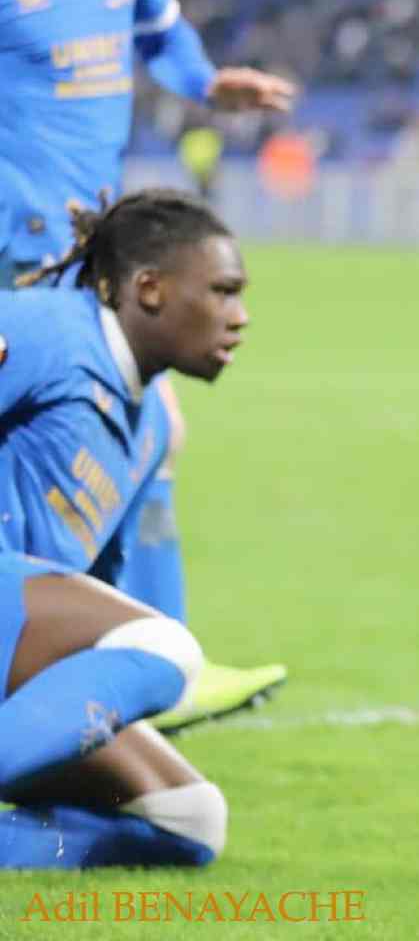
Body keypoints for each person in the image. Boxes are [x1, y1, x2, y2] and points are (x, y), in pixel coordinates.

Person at [0, 0, 291, 730]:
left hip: (86, 267)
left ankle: (146, 655)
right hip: (15, 268)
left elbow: (160, 30)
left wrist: (207, 84)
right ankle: (131, 656)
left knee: (142, 442)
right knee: (121, 445)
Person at [0, 190, 249, 867]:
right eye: (222, 292)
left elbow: (94, 592)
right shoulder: (47, 330)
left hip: (12, 640)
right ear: (150, 289)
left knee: (190, 819)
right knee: (165, 645)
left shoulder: (152, 425)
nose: (240, 317)